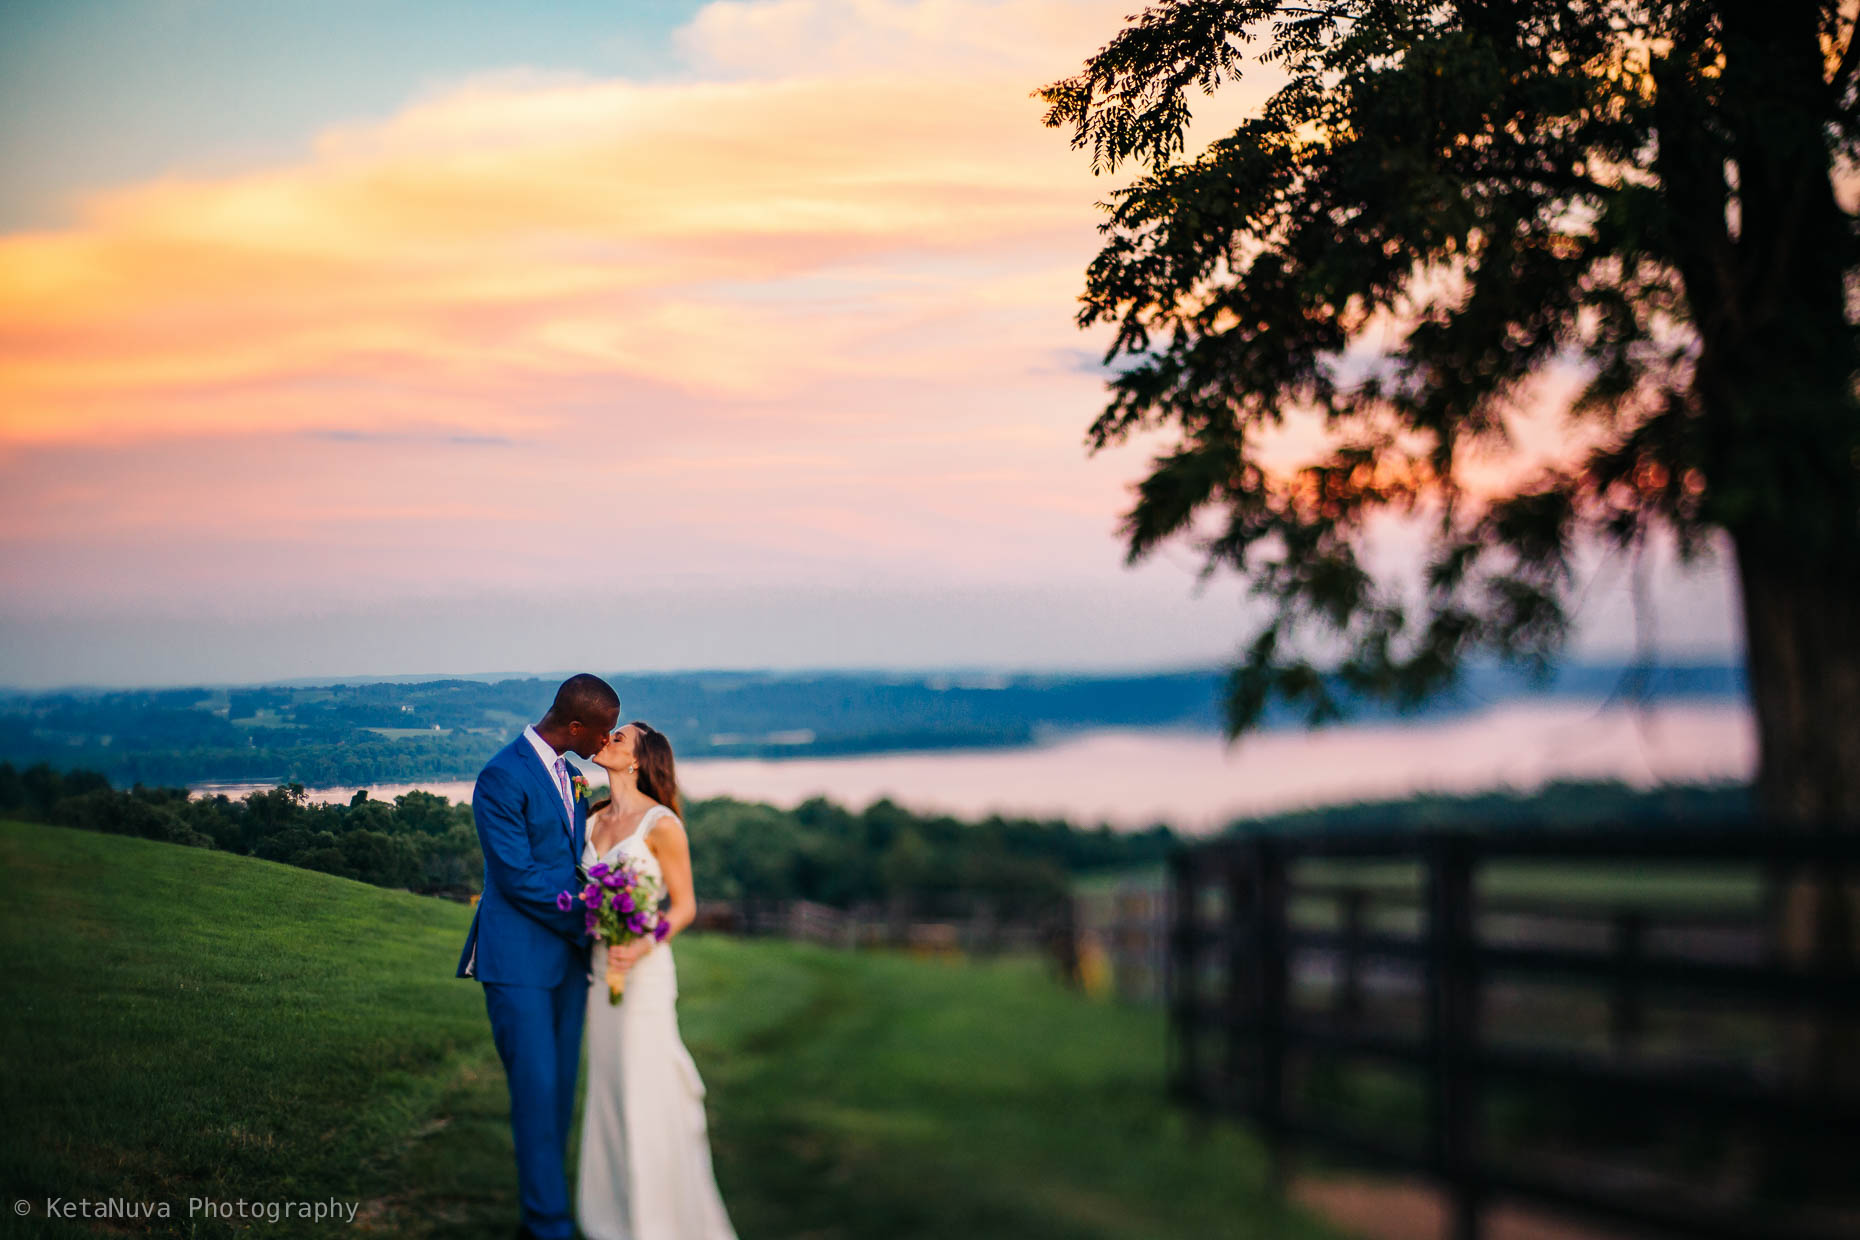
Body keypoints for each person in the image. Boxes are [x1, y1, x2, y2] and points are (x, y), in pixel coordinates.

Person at [456, 673, 621, 1240]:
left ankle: (549, 1208)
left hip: (568, 963)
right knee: (534, 1094)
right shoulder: (501, 777)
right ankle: (548, 1225)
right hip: (519, 964)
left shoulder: (573, 777)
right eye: (601, 733)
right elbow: (519, 877)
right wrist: (593, 915)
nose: (606, 743)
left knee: (558, 1096)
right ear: (575, 726)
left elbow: (574, 859)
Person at [578, 720, 738, 1240]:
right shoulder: (591, 818)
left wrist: (644, 943)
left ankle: (657, 1225)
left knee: (642, 1092)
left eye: (618, 738)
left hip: (642, 977)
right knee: (607, 1091)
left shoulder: (661, 824)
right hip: (599, 976)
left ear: (639, 761)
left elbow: (685, 906)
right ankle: (609, 1217)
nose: (606, 739)